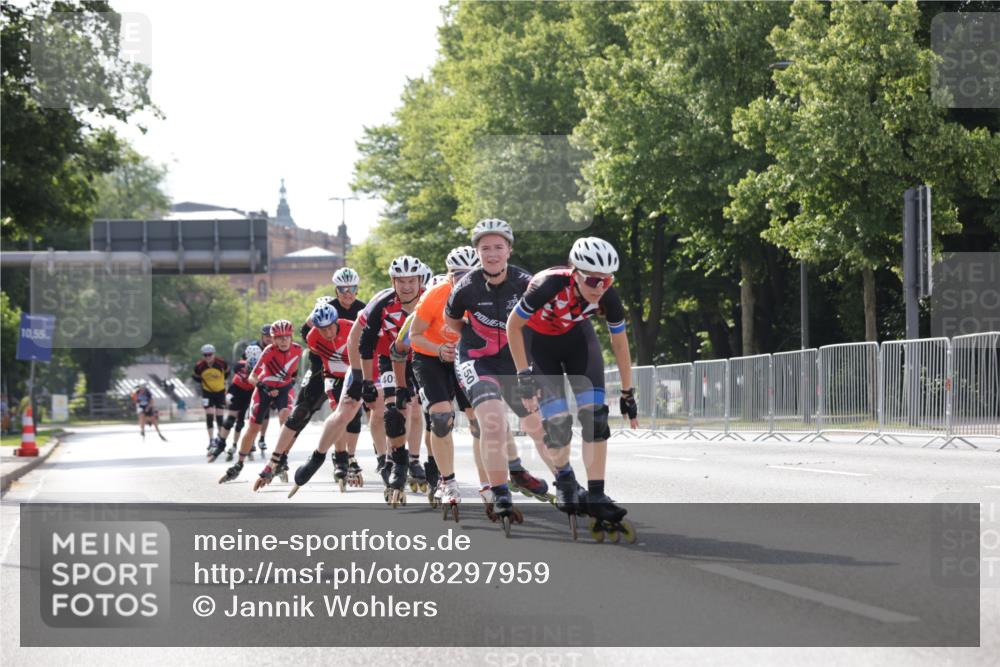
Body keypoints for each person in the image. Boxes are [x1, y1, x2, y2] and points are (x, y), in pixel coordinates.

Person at [506, 236, 639, 541]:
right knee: (557, 424)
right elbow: (513, 326)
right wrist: (523, 374)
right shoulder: (548, 285)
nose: (600, 286)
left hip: (578, 341)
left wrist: (628, 392)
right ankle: (565, 479)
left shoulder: (608, 296)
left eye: (607, 280)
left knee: (596, 417)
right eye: (593, 279)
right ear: (575, 272)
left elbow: (620, 344)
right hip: (538, 345)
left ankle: (596, 494)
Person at [443, 218, 554, 533]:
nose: (492, 254)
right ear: (477, 252)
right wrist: (476, 338)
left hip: (516, 360)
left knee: (537, 425)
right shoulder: (465, 287)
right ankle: (500, 493)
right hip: (478, 360)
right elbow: (452, 323)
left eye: (498, 247)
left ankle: (565, 481)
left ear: (509, 250)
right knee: (492, 422)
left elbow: (544, 321)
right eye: (485, 248)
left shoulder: (526, 282)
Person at [399, 245, 481, 517]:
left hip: (465, 358)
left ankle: (490, 484)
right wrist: (438, 350)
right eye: (457, 275)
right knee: (441, 418)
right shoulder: (435, 296)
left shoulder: (485, 294)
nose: (463, 280)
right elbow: (415, 336)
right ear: (448, 275)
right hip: (430, 357)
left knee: (478, 421)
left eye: (470, 274)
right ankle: (447, 483)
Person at [252, 303, 357, 492]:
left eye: (331, 327)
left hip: (353, 373)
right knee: (298, 414)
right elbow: (324, 364)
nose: (328, 333)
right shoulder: (312, 337)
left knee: (345, 416)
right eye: (322, 329)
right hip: (326, 373)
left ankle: (345, 459)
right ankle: (274, 461)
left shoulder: (351, 326)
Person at [356, 255, 426, 506]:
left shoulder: (430, 299)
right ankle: (395, 459)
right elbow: (365, 345)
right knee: (394, 411)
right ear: (392, 281)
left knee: (420, 409)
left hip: (422, 359)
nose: (407, 286)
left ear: (420, 280)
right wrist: (365, 381)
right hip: (388, 359)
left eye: (412, 281)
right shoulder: (382, 304)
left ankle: (418, 461)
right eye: (401, 281)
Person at [218, 320, 302, 484]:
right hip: (264, 389)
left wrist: (289, 383)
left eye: (286, 337)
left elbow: (293, 373)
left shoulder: (298, 349)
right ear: (273, 339)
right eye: (279, 338)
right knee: (253, 428)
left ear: (291, 337)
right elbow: (252, 377)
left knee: (288, 420)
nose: (283, 341)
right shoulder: (269, 351)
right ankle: (239, 463)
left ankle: (281, 458)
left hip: (284, 390)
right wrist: (264, 387)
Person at [208, 344, 262, 462]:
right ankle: (221, 444)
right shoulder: (239, 365)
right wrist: (228, 395)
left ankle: (244, 444)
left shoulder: (262, 366)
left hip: (251, 392)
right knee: (230, 421)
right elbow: (235, 382)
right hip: (238, 390)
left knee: (248, 421)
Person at [193, 344, 228, 449]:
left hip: (220, 392)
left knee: (219, 416)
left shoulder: (222, 363)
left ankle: (220, 438)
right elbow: (196, 377)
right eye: (205, 355)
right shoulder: (199, 366)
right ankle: (211, 439)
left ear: (214, 354)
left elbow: (227, 374)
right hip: (207, 392)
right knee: (209, 415)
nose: (208, 357)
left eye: (210, 355)